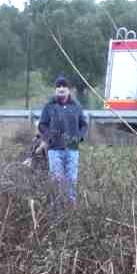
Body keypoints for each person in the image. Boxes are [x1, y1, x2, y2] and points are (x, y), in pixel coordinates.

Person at [37, 74, 87, 202]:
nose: (61, 88)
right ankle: (56, 211)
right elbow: (42, 125)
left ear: (69, 89)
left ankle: (71, 211)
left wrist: (79, 138)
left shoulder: (76, 106)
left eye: (64, 86)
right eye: (58, 86)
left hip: (72, 150)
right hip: (54, 150)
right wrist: (49, 137)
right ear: (55, 90)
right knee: (56, 181)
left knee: (71, 181)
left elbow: (84, 125)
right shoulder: (49, 106)